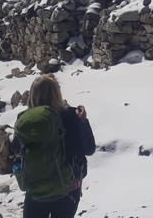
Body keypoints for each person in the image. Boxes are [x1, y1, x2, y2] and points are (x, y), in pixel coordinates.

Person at [12, 74, 96, 218]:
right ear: (57, 93)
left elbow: (15, 149)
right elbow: (89, 149)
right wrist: (83, 121)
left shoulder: (25, 119)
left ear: (32, 94)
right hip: (68, 189)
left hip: (35, 190)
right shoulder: (71, 115)